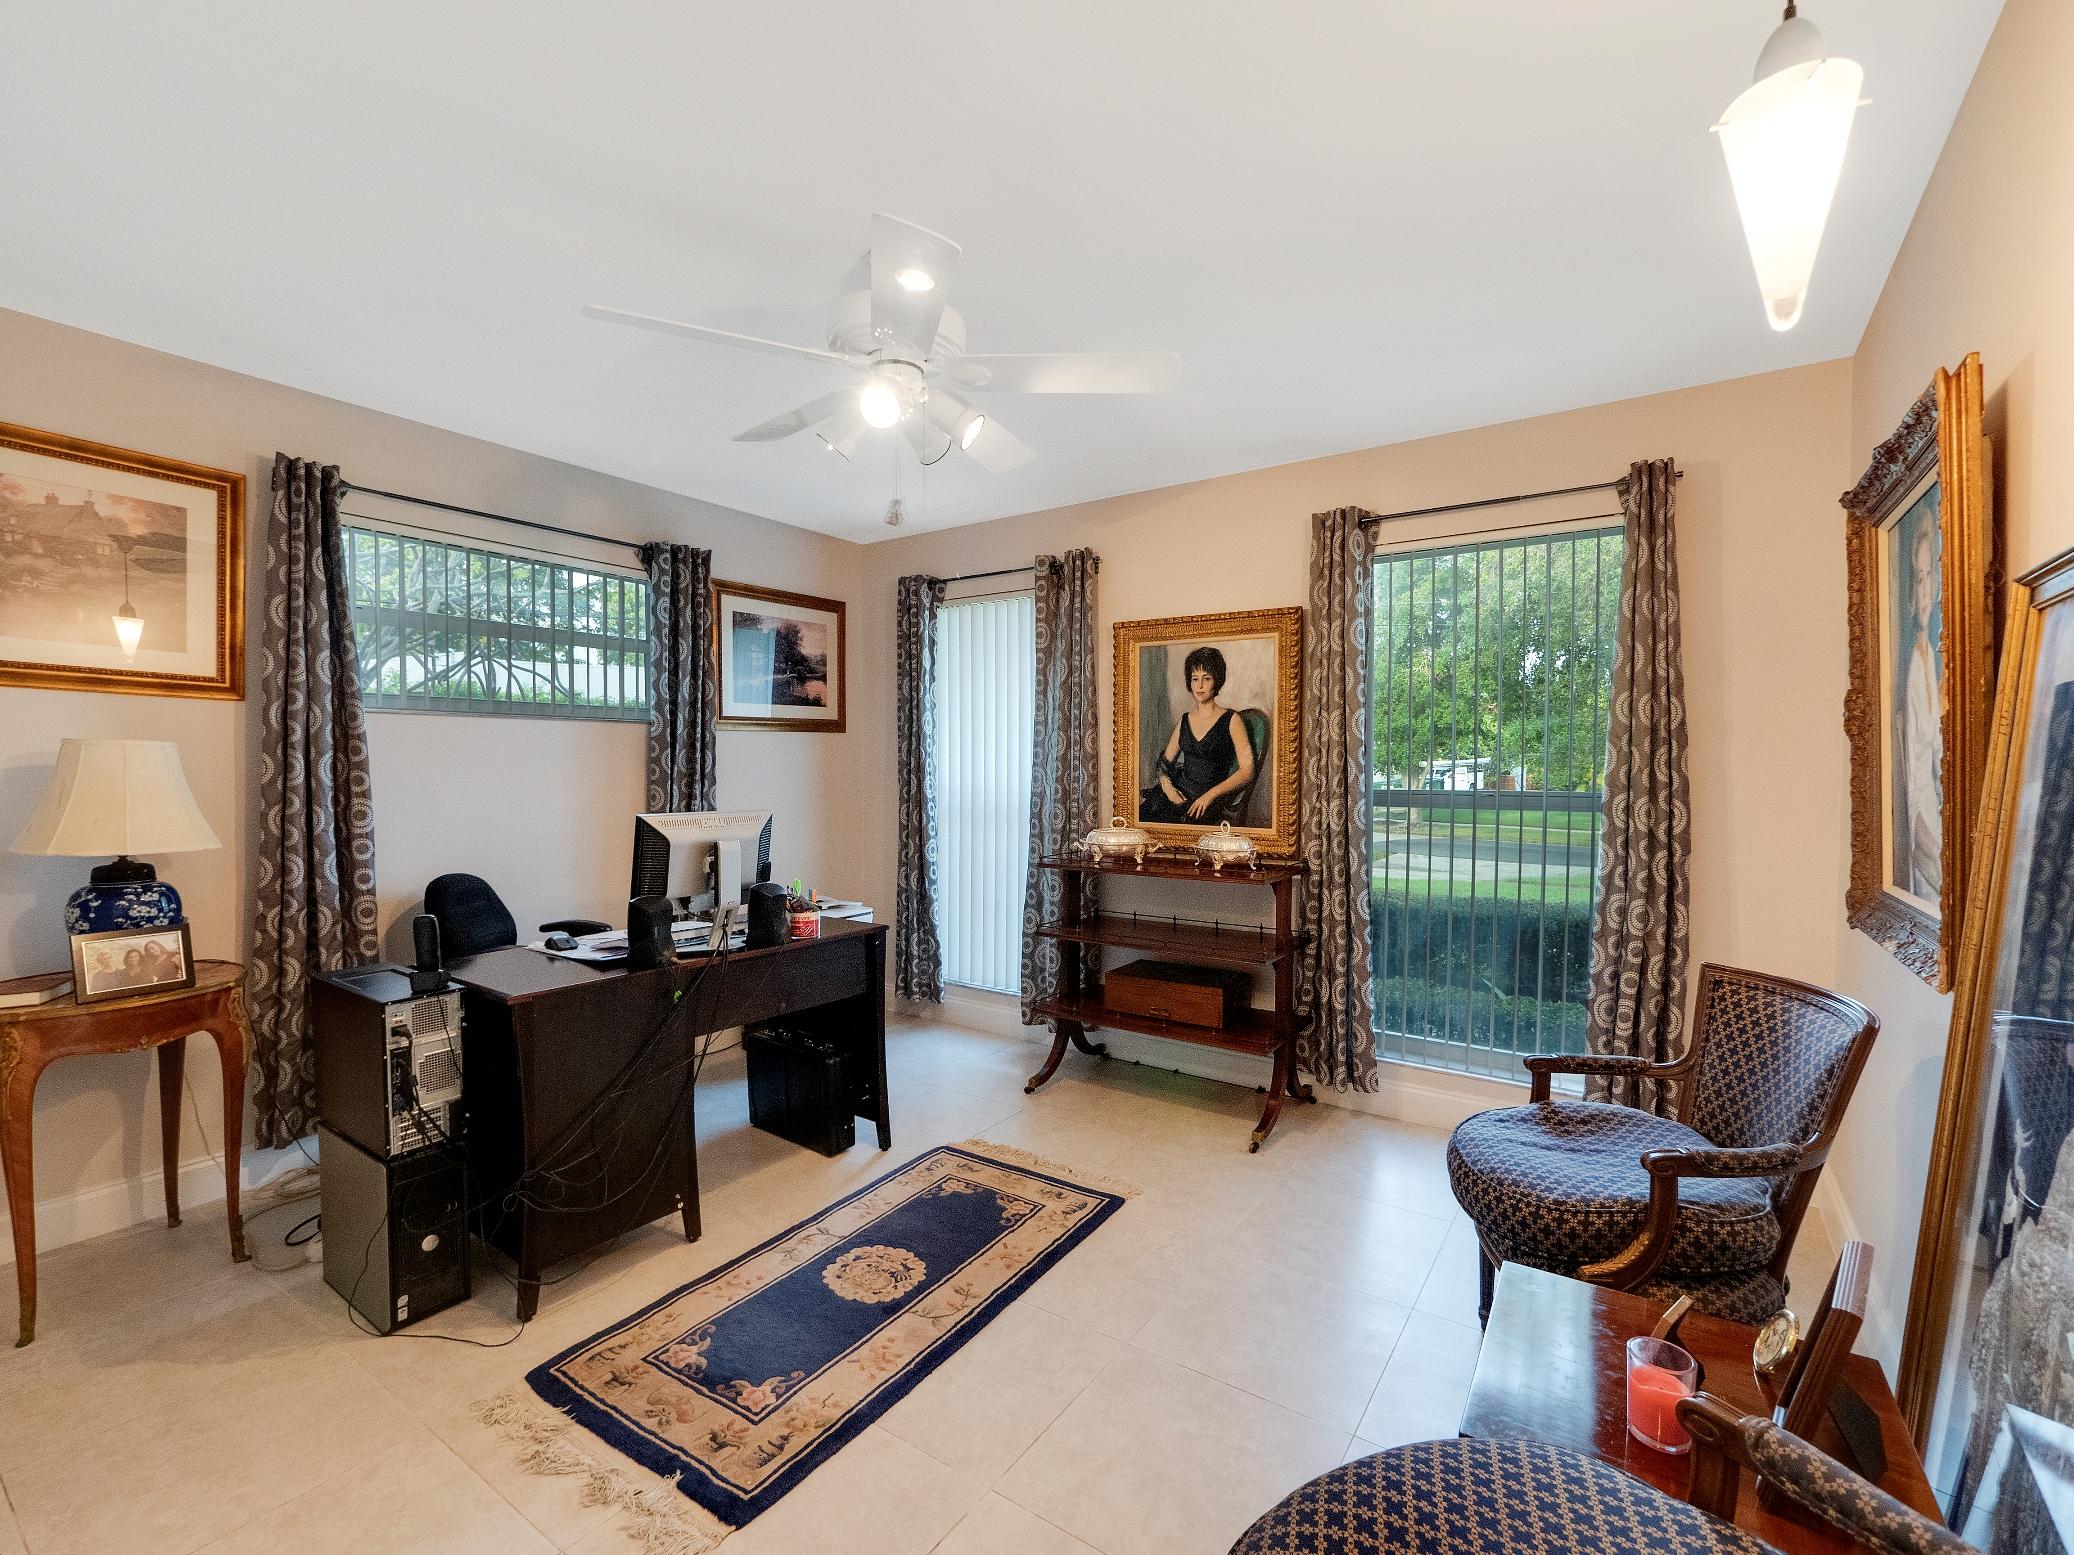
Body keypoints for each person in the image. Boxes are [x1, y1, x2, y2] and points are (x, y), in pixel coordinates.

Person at [1139, 645, 1257, 825]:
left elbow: (1247, 771)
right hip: (1176, 793)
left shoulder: (1232, 720)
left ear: (1216, 681)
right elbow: (1164, 764)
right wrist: (1168, 787)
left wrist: (1209, 796)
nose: (1200, 686)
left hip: (1207, 801)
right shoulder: (1184, 721)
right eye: (1195, 679)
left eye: (1206, 678)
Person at [1898, 521, 1944, 901]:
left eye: (1929, 576)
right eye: (1918, 578)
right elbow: (1915, 773)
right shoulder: (1915, 664)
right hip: (1924, 820)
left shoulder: (1932, 659)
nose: (1924, 590)